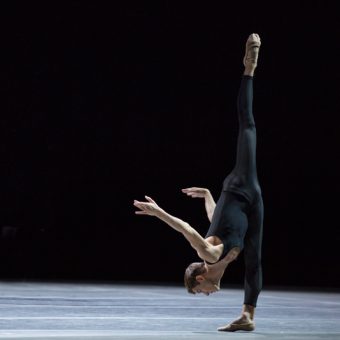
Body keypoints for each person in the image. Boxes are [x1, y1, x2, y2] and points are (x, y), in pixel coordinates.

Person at [134, 33, 263, 332]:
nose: (204, 295)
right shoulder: (219, 255)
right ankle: (247, 316)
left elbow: (188, 230)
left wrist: (158, 213)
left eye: (199, 292)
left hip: (240, 184)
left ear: (200, 278)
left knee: (248, 125)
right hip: (253, 205)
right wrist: (206, 193)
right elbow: (215, 218)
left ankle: (249, 67)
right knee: (254, 260)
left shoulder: (207, 254)